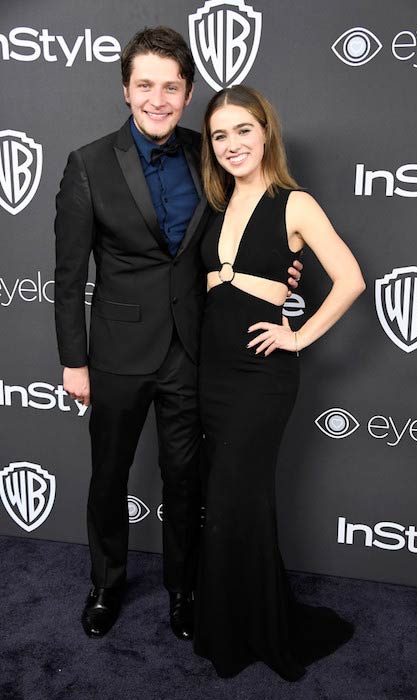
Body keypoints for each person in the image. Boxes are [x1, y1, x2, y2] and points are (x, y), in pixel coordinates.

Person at [54, 27, 301, 641]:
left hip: (196, 351)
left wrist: (284, 268)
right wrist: (73, 361)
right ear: (126, 90)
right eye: (145, 86)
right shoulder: (86, 163)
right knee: (108, 475)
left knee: (185, 479)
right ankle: (106, 585)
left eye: (171, 87)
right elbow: (67, 274)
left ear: (188, 93)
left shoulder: (210, 152)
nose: (157, 98)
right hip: (114, 352)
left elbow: (245, 231)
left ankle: (183, 591)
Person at [193, 85, 366, 681]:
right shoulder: (212, 206)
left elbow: (350, 279)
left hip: (261, 376)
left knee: (236, 497)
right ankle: (234, 621)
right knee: (230, 503)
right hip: (210, 375)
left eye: (243, 129)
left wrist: (297, 335)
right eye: (219, 135)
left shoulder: (295, 203)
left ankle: (253, 630)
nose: (232, 144)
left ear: (266, 132)